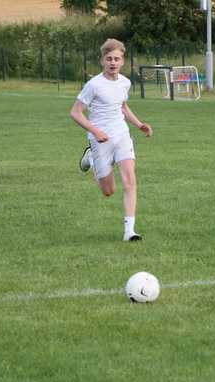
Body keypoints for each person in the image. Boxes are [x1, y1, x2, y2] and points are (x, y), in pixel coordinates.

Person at [70, 39, 153, 241]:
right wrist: (95, 131)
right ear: (102, 61)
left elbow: (123, 107)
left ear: (123, 61)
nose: (113, 62)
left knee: (130, 180)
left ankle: (129, 231)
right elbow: (76, 112)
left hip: (122, 135)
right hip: (100, 141)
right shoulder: (94, 85)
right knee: (108, 191)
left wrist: (139, 124)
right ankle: (91, 158)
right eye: (109, 59)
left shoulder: (125, 83)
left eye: (116, 59)